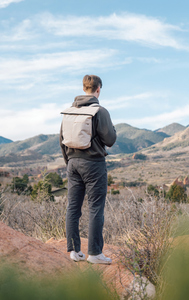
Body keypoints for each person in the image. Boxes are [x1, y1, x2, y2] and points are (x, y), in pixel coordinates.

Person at [60, 75, 117, 264]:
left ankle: (74, 251)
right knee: (95, 208)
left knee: (73, 207)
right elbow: (110, 140)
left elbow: (61, 140)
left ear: (84, 88)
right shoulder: (99, 111)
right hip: (93, 163)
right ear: (98, 89)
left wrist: (69, 162)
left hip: (72, 163)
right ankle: (94, 254)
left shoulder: (68, 112)